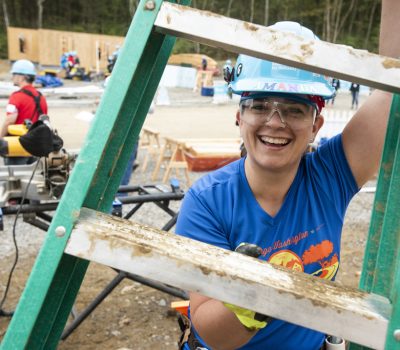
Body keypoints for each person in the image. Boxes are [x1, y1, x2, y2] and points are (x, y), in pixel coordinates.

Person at [175, 1, 396, 347]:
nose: (275, 122)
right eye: (260, 105)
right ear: (239, 117)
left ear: (316, 125)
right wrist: (249, 297)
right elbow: (211, 333)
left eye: (294, 109)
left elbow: (393, 80)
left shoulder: (331, 175)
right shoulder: (208, 201)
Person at [1, 59, 48, 165]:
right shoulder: (41, 97)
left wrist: (1, 137)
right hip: (36, 146)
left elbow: (9, 120)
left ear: (22, 77)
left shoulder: (16, 97)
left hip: (17, 146)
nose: (12, 77)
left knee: (16, 177)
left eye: (14, 74)